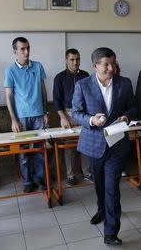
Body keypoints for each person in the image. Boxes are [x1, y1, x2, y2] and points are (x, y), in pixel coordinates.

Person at [72, 47, 136, 245]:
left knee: (112, 188)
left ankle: (111, 232)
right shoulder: (82, 85)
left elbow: (133, 107)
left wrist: (126, 116)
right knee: (99, 184)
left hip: (116, 143)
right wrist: (92, 120)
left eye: (113, 63)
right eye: (106, 64)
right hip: (94, 144)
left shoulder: (124, 83)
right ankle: (101, 210)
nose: (111, 67)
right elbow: (76, 113)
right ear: (95, 66)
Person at [5, 37, 48, 193]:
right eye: (22, 49)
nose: (26, 51)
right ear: (15, 51)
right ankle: (28, 181)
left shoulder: (37, 66)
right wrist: (13, 120)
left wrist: (45, 111)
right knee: (24, 152)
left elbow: (43, 90)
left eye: (28, 48)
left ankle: (40, 179)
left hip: (38, 116)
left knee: (40, 150)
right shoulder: (10, 70)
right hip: (21, 118)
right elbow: (8, 96)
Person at [53, 48, 90, 186]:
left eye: (78, 59)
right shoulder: (60, 77)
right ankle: (71, 175)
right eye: (72, 60)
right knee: (69, 146)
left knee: (85, 143)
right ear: (66, 60)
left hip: (84, 113)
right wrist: (63, 117)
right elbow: (56, 100)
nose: (75, 62)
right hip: (67, 113)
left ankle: (87, 172)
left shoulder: (86, 75)